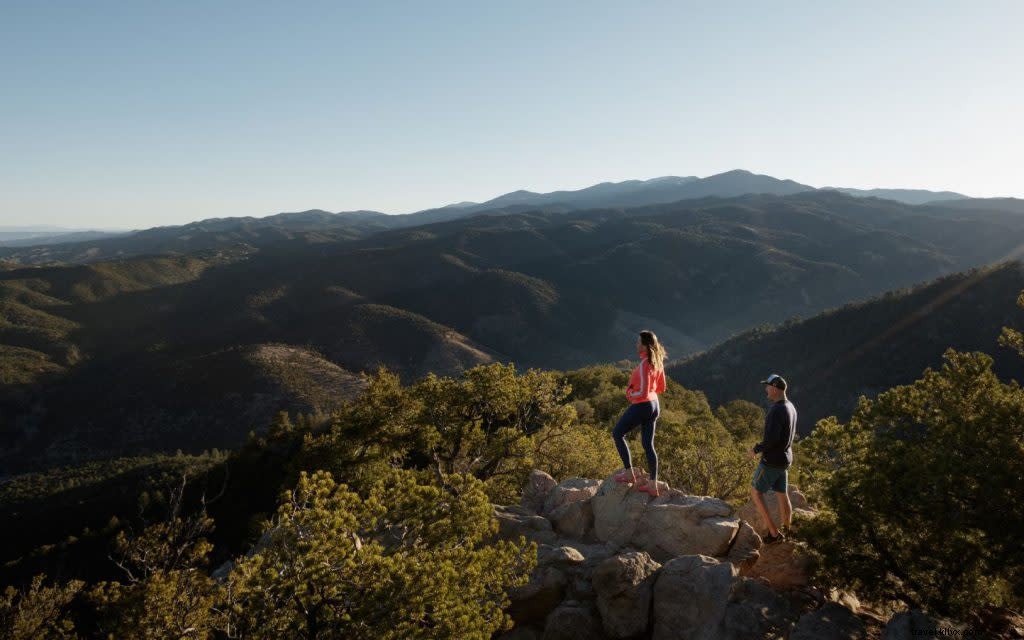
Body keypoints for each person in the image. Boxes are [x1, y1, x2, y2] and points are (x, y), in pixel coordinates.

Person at [611, 330, 667, 496]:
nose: (636, 345)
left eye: (638, 343)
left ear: (645, 345)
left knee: (617, 433)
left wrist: (629, 394)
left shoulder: (644, 365)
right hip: (655, 404)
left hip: (643, 404)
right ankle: (653, 484)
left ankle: (629, 474)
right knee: (648, 445)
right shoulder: (658, 361)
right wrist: (649, 391)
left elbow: (641, 393)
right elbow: (662, 387)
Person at [747, 373, 798, 543]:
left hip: (772, 461)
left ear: (775, 388)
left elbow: (772, 440)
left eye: (768, 386)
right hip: (784, 459)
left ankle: (774, 534)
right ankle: (788, 530)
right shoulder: (790, 406)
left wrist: (756, 449)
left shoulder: (776, 410)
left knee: (755, 492)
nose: (766, 389)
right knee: (782, 494)